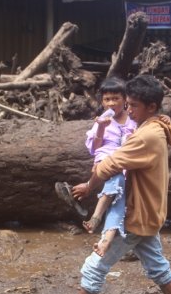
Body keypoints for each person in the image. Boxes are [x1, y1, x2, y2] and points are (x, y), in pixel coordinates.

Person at [43, 75, 171, 294]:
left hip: (134, 215)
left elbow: (109, 165)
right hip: (151, 212)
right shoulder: (159, 126)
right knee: (158, 267)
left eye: (134, 105)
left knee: (94, 267)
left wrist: (89, 186)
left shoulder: (145, 136)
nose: (128, 109)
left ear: (151, 107)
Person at [56, 77, 137, 257]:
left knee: (119, 196)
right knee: (115, 176)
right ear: (102, 101)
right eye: (107, 99)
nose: (111, 103)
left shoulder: (133, 120)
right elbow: (95, 147)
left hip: (126, 161)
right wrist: (101, 127)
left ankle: (105, 236)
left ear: (125, 99)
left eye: (116, 99)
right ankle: (98, 219)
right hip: (106, 159)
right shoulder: (102, 120)